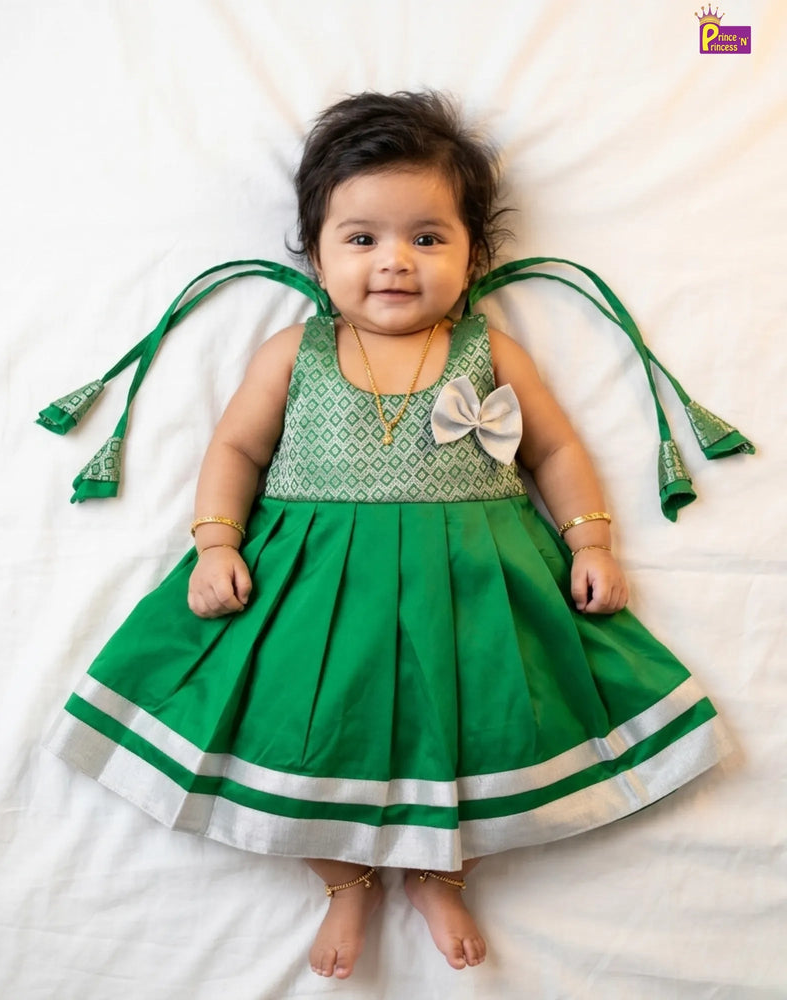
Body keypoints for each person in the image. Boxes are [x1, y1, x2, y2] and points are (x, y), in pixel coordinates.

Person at [44, 91, 730, 980]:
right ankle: (344, 878)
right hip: (312, 584)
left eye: (427, 238)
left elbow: (556, 448)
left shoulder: (490, 350)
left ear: (473, 255)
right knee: (293, 733)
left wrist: (591, 541)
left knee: (491, 728)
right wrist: (216, 544)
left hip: (473, 583)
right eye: (362, 238)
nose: (395, 262)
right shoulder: (294, 353)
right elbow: (237, 449)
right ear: (317, 255)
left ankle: (440, 872)